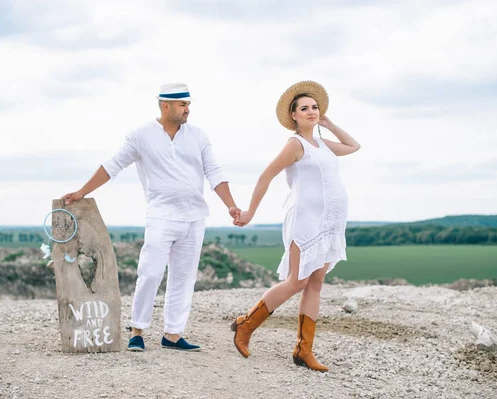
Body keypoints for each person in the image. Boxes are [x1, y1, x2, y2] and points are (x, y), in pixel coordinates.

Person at [62, 83, 240, 352]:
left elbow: (214, 172)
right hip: (161, 216)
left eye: (189, 104)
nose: (188, 109)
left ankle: (173, 334)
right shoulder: (140, 135)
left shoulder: (198, 136)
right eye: (183, 105)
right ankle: (137, 331)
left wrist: (231, 206)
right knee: (150, 273)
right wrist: (81, 192)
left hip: (194, 218)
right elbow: (113, 165)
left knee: (184, 277)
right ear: (165, 105)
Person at [231, 81, 360, 371]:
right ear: (293, 116)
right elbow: (266, 176)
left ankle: (304, 350)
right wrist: (250, 211)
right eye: (305, 108)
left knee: (316, 283)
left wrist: (329, 122)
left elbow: (354, 146)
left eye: (315, 108)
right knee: (296, 281)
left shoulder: (323, 144)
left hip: (329, 224)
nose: (311, 112)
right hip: (305, 221)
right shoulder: (295, 145)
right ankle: (245, 326)